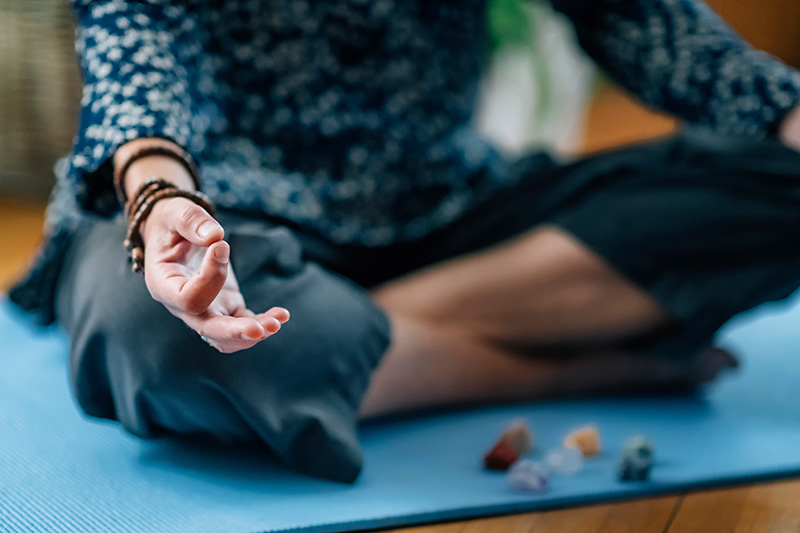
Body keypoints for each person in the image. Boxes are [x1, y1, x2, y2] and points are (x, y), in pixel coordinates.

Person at [11, 0, 800, 482]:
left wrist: (786, 111)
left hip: (449, 205)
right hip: (225, 212)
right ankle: (568, 364)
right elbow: (137, 25)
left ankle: (326, 339)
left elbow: (631, 15)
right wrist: (159, 190)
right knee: (148, 324)